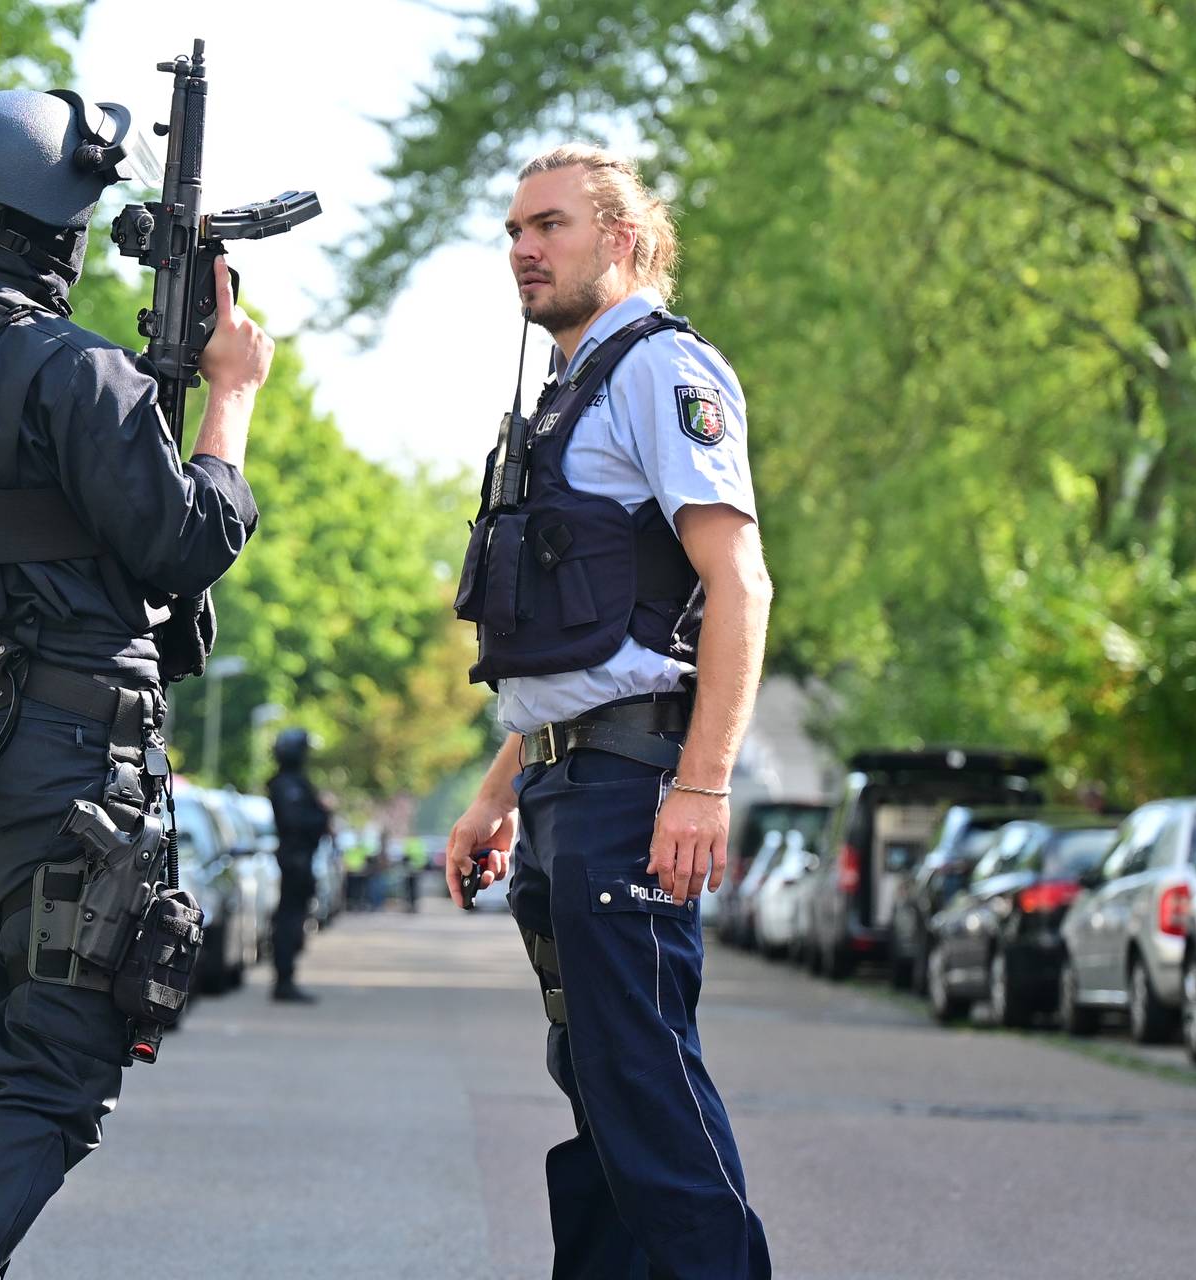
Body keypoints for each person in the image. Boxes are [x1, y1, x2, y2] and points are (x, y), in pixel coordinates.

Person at [0, 88, 273, 1279]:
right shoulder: (72, 369)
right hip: (69, 759)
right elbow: (182, 543)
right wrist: (227, 399)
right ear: (56, 219)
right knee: (57, 1062)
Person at [442, 143, 776, 1279]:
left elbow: (737, 585)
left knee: (647, 1096)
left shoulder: (659, 371)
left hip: (632, 790)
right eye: (512, 233)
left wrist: (700, 782)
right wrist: (495, 795)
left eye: (548, 227)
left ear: (619, 239)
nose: (522, 251)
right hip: (559, 789)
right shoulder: (569, 387)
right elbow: (579, 636)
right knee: (602, 1100)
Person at [264, 726, 331, 1002]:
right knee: (289, 922)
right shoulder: (287, 785)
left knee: (294, 920)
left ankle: (286, 977)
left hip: (300, 860)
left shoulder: (293, 783)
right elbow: (295, 822)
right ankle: (284, 980)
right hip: (295, 861)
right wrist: (322, 815)